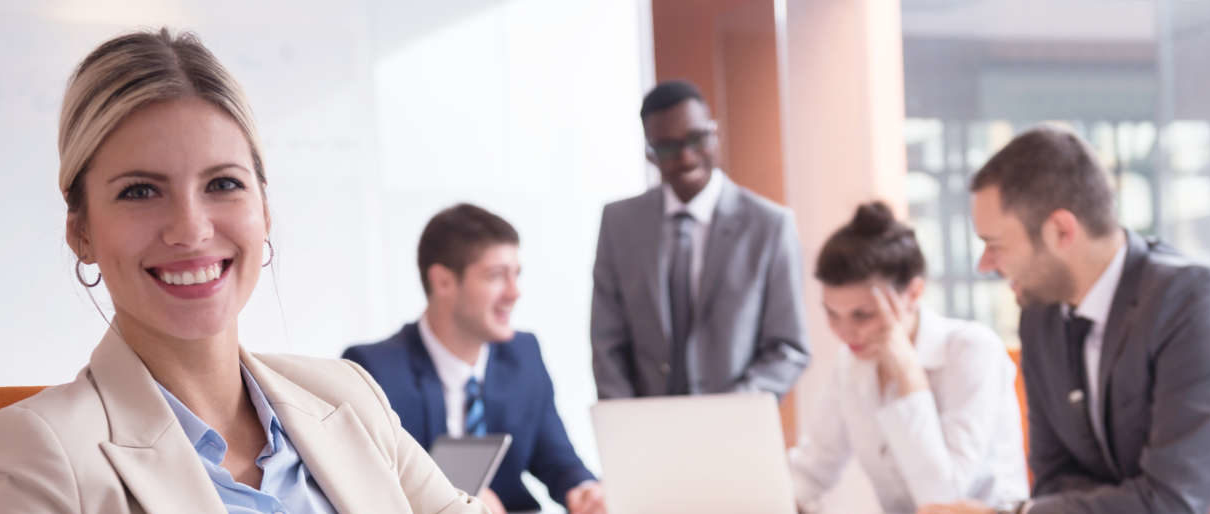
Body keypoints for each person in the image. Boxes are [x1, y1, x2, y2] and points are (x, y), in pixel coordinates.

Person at [0, 29, 486, 514]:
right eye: (140, 191)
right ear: (81, 231)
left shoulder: (347, 394)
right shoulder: (45, 449)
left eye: (222, 184)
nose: (190, 229)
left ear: (264, 208)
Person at [921, 126, 1210, 514]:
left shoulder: (1195, 303)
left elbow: (1170, 500)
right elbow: (1054, 478)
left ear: (1061, 230)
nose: (985, 264)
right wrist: (1146, 502)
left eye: (995, 245)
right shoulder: (1040, 318)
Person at [343, 204, 606, 514]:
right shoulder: (373, 370)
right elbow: (367, 490)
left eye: (516, 275)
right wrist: (460, 502)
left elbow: (557, 459)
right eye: (497, 276)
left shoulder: (523, 356)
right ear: (442, 281)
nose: (514, 292)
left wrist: (583, 490)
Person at [787, 201, 1027, 513]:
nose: (845, 333)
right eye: (832, 314)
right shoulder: (853, 363)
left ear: (913, 293)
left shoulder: (971, 349)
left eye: (862, 315)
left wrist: (907, 373)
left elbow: (942, 497)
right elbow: (812, 469)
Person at [590, 79, 810, 399]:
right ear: (650, 153)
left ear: (715, 133)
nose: (686, 157)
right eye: (667, 147)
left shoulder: (770, 225)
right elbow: (606, 339)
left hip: (736, 424)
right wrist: (626, 419)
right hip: (645, 428)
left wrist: (730, 412)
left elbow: (788, 347)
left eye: (696, 139)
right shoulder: (619, 223)